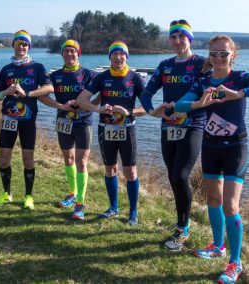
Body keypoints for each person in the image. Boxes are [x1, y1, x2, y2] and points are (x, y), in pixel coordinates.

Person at [175, 35, 249, 284]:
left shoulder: (240, 78)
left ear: (233, 56)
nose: (219, 58)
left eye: (224, 53)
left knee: (230, 206)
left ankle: (235, 263)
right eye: (214, 53)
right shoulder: (203, 82)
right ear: (209, 56)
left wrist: (239, 93)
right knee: (212, 199)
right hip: (210, 147)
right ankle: (217, 246)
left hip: (236, 148)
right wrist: (199, 102)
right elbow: (180, 104)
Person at [140, 20, 206, 250]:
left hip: (193, 125)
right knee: (172, 177)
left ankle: (183, 228)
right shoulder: (165, 65)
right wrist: (151, 110)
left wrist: (181, 106)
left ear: (190, 39)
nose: (178, 42)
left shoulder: (202, 63)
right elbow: (147, 93)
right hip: (168, 127)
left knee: (180, 175)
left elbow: (201, 92)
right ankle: (182, 222)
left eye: (182, 37)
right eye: (173, 38)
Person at [77, 41, 146, 226]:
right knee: (110, 169)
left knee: (130, 171)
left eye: (122, 54)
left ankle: (133, 212)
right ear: (110, 57)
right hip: (106, 129)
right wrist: (98, 109)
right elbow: (81, 100)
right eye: (114, 54)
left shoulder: (135, 78)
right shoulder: (102, 77)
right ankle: (113, 208)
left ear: (127, 56)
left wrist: (129, 112)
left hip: (127, 129)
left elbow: (149, 107)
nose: (118, 57)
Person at [0, 30, 53, 210]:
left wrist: (27, 93)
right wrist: (6, 92)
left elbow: (48, 88)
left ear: (29, 47)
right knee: (4, 159)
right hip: (8, 120)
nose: (21, 47)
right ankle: (6, 193)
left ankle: (28, 196)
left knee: (28, 159)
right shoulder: (6, 70)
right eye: (18, 43)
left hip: (27, 121)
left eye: (25, 44)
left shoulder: (37, 67)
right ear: (13, 46)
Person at [39, 39, 96, 220]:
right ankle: (72, 193)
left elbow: (103, 91)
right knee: (68, 157)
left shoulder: (89, 74)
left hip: (83, 122)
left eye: (73, 51)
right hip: (63, 121)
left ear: (78, 53)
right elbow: (42, 95)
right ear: (62, 54)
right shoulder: (55, 76)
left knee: (82, 161)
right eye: (66, 51)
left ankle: (80, 202)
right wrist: (61, 106)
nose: (69, 54)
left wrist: (90, 106)